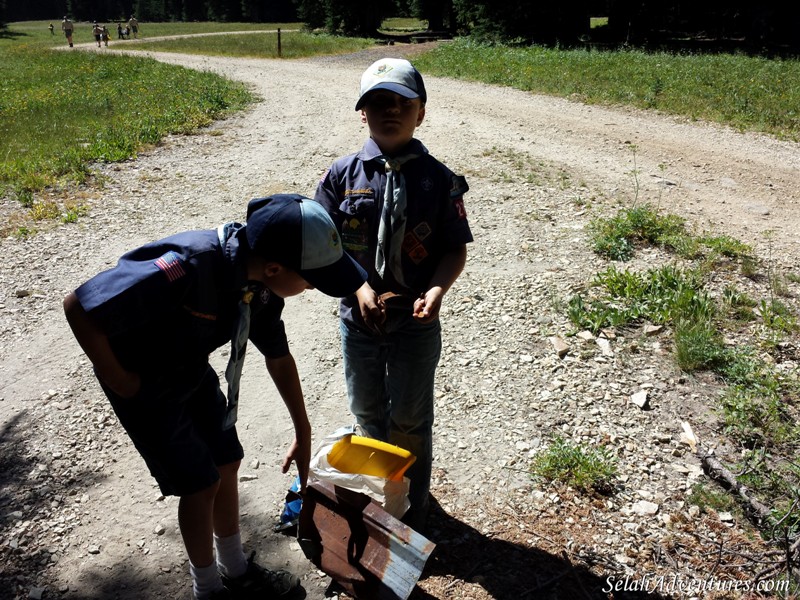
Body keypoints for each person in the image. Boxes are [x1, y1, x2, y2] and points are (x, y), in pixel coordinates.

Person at [63, 194, 366, 600]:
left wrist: (303, 427)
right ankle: (206, 589)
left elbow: (278, 356)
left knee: (228, 460)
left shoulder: (261, 288)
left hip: (189, 368)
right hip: (144, 384)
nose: (311, 288)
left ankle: (236, 570)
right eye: (311, 280)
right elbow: (79, 306)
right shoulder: (186, 266)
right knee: (199, 484)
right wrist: (120, 379)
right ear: (275, 268)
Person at [313, 58, 473, 531]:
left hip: (416, 322)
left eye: (403, 103)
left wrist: (438, 290)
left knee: (410, 418)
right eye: (378, 102)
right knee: (366, 412)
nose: (391, 111)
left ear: (421, 113)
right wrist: (358, 287)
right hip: (357, 320)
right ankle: (382, 505)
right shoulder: (341, 176)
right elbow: (322, 246)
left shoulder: (439, 180)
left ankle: (413, 511)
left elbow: (453, 249)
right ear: (362, 113)